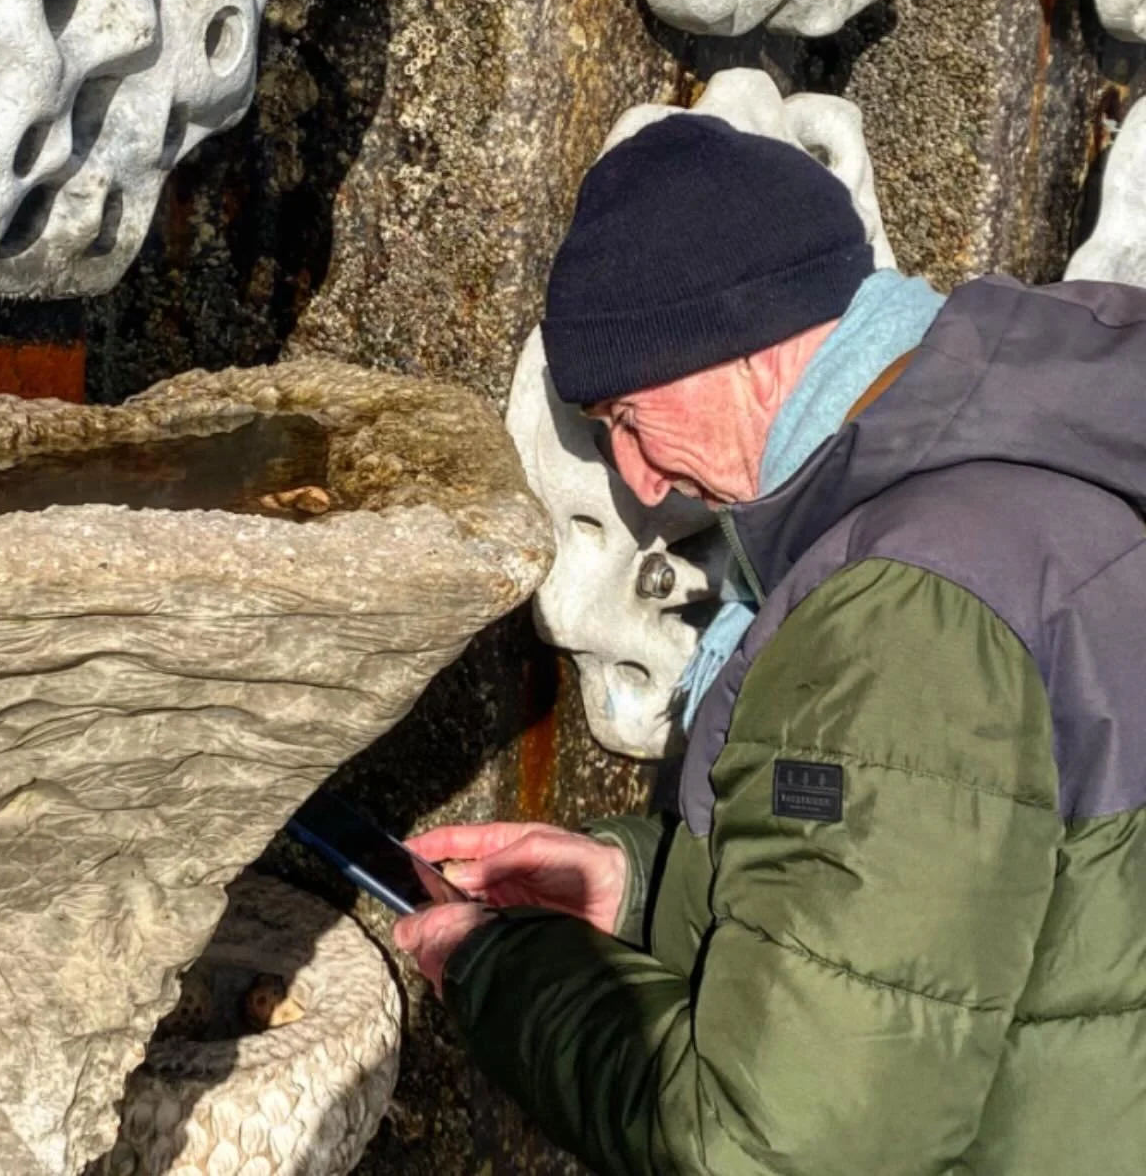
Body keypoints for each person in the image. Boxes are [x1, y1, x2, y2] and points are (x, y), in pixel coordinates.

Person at [392, 114, 1146, 1176]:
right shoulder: (1037, 502)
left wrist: (506, 971)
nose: (643, 483)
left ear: (742, 345)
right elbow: (967, 896)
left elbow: (779, 1144)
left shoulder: (905, 610)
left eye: (630, 414)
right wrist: (634, 888)